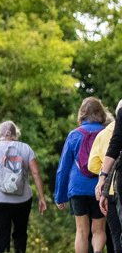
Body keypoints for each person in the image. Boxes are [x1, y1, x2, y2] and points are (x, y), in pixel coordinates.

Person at [0, 119, 48, 252]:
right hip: (22, 200)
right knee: (20, 235)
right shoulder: (25, 148)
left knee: (1, 236)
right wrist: (42, 198)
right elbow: (36, 173)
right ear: (15, 134)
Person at [56, 96, 111, 253]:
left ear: (82, 114)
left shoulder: (74, 135)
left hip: (77, 188)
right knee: (99, 229)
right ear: (101, 113)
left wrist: (60, 196)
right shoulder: (106, 134)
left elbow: (63, 168)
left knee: (81, 231)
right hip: (99, 188)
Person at [94, 100, 122, 252]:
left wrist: (102, 179)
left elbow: (92, 164)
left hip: (112, 190)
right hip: (113, 188)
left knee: (116, 234)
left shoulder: (103, 134)